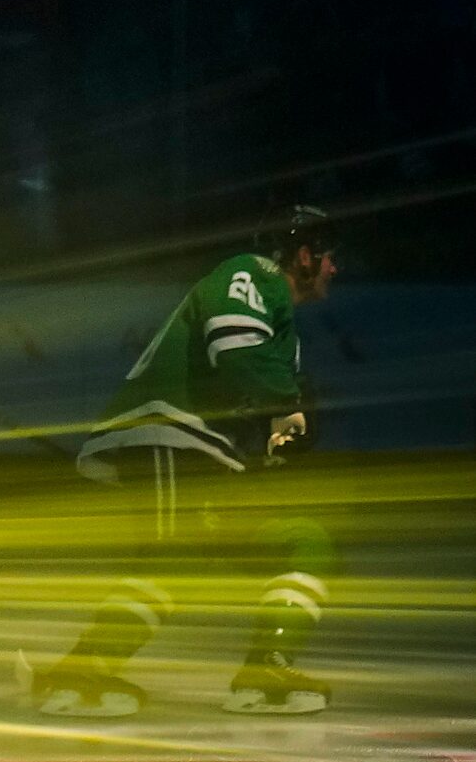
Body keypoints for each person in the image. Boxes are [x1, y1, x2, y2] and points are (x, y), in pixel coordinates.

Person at [24, 206, 340, 718]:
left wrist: (279, 435)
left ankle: (265, 667)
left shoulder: (285, 331)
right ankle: (80, 671)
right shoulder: (254, 272)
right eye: (329, 258)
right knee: (174, 562)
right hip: (172, 431)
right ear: (304, 256)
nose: (334, 270)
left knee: (305, 543)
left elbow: (259, 397)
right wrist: (290, 407)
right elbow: (235, 347)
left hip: (207, 449)